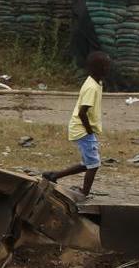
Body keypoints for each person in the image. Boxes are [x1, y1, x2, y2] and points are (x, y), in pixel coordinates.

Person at [43, 50, 111, 198]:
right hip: (82, 129)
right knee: (94, 164)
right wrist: (89, 131)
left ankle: (54, 175)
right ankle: (84, 193)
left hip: (82, 128)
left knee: (88, 163)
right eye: (104, 66)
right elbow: (82, 112)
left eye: (108, 65)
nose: (107, 69)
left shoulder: (96, 82)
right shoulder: (92, 87)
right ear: (95, 69)